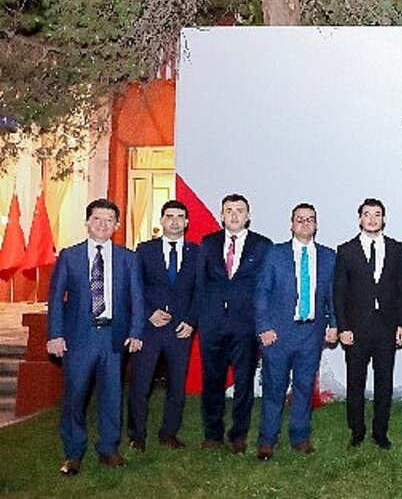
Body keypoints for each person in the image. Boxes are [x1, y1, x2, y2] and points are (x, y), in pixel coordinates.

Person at [46, 199, 144, 475]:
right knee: (75, 396)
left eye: (109, 220)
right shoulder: (70, 256)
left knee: (112, 396)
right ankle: (73, 452)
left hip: (114, 337)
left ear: (117, 225)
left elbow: (137, 298)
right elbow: (56, 298)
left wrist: (136, 331)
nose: (103, 224)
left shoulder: (128, 258)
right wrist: (55, 334)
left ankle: (109, 449)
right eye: (97, 219)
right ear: (87, 222)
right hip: (79, 337)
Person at [189, 193, 272, 454]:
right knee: (212, 380)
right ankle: (212, 434)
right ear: (222, 215)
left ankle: (238, 435)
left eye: (239, 210)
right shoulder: (208, 243)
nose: (234, 215)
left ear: (248, 216)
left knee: (244, 382)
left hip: (246, 325)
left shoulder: (262, 245)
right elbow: (199, 284)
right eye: (229, 210)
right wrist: (196, 319)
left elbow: (267, 288)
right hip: (212, 324)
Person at [254, 203, 338, 460]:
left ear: (316, 224)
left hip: (311, 333)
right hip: (278, 334)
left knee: (304, 387)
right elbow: (261, 293)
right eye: (299, 219)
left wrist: (334, 324)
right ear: (291, 224)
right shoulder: (274, 253)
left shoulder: (328, 257)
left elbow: (332, 295)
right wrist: (264, 327)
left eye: (310, 219)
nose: (304, 223)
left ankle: (300, 437)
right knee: (274, 388)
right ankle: (267, 440)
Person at [333, 198, 402, 449]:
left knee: (384, 382)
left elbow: (401, 290)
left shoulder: (397, 249)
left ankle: (380, 432)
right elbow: (339, 292)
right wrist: (343, 327)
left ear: (384, 219)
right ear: (360, 219)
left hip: (387, 327)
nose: (372, 219)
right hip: (356, 329)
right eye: (367, 214)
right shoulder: (346, 250)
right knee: (356, 382)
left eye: (377, 214)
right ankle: (357, 431)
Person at [127, 200, 198, 452]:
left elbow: (201, 291)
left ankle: (169, 433)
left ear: (186, 222)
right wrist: (148, 313)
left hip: (181, 329)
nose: (175, 221)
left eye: (180, 216)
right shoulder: (145, 250)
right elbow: (134, 287)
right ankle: (137, 435)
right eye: (170, 216)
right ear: (162, 220)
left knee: (176, 385)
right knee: (141, 384)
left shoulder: (197, 253)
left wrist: (191, 321)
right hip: (149, 328)